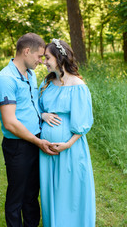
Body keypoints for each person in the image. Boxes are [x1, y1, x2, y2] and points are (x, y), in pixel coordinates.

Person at [0, 33, 58, 227]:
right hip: (18, 146)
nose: (41, 61)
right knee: (17, 196)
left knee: (31, 193)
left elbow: (31, 103)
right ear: (26, 51)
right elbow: (10, 123)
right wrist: (38, 142)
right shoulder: (5, 79)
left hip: (35, 140)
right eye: (39, 56)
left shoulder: (30, 74)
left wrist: (42, 115)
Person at [39, 38, 96, 227]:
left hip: (70, 150)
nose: (44, 61)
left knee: (70, 194)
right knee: (51, 193)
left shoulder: (78, 86)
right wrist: (43, 114)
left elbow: (83, 122)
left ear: (59, 57)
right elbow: (36, 108)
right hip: (46, 152)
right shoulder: (46, 83)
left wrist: (67, 144)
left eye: (47, 57)